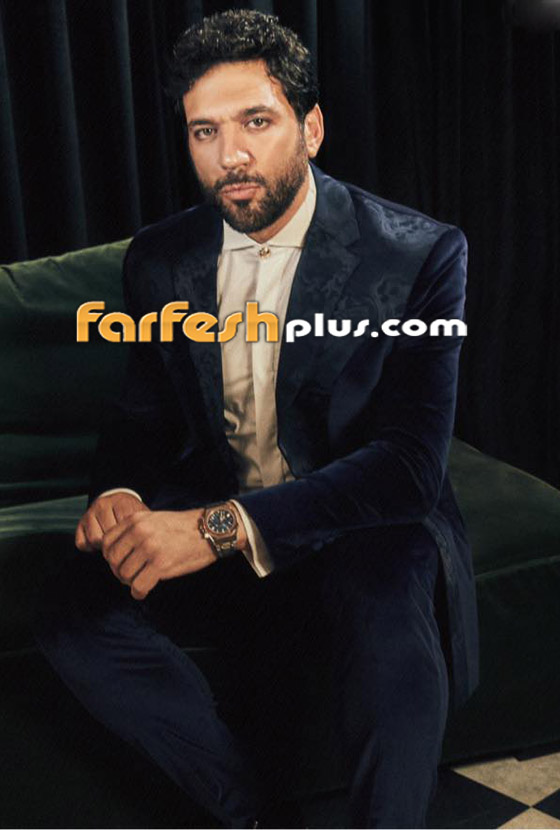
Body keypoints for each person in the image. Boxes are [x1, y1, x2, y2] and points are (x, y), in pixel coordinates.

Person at [33, 9, 479, 829]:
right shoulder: (161, 258)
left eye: (256, 122)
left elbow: (408, 465)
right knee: (70, 606)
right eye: (204, 132)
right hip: (218, 510)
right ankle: (252, 816)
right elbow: (141, 413)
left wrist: (215, 529)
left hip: (360, 522)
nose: (230, 155)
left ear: (311, 128)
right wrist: (121, 495)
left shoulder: (419, 253)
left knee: (387, 600)